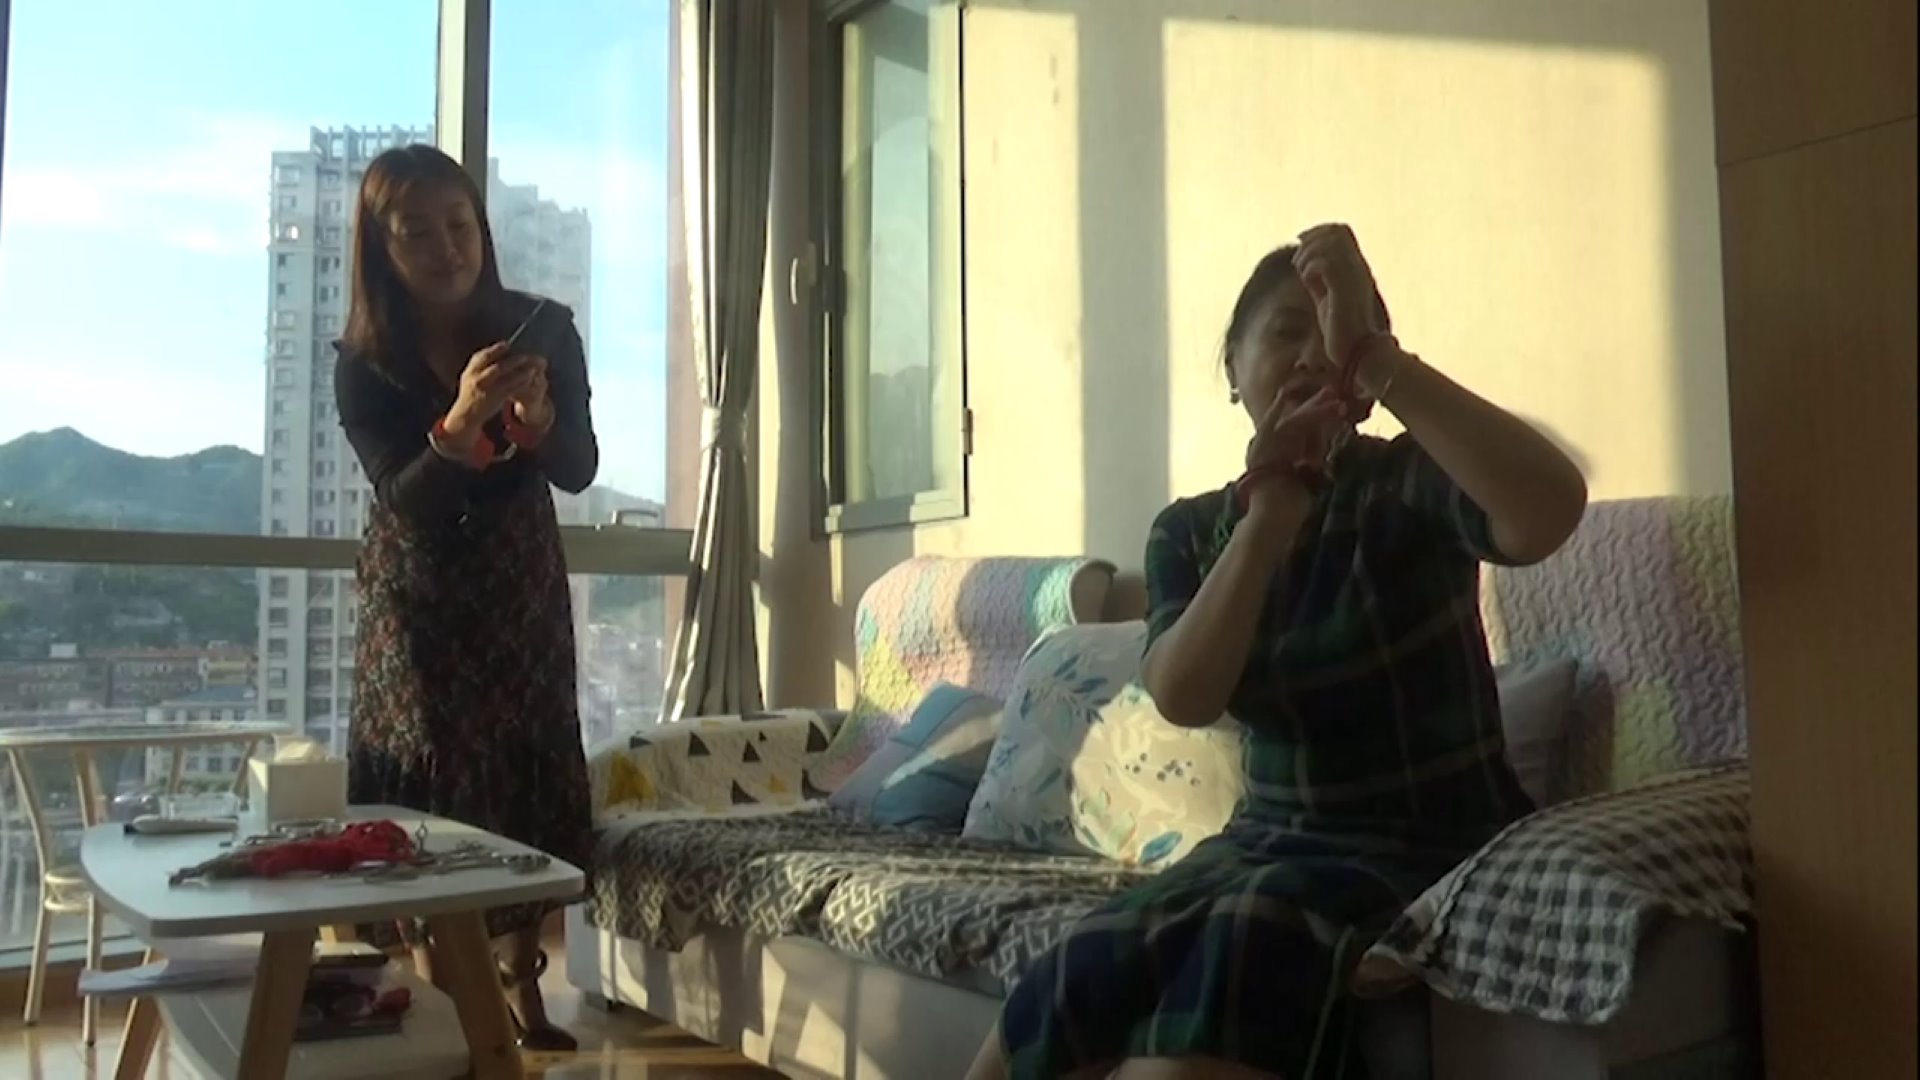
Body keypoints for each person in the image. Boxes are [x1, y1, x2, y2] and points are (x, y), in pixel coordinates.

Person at [969, 224, 1590, 1080]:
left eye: (1331, 335)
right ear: (1233, 367)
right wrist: (1268, 518)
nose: (1309, 355)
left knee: (1242, 942)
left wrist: (1377, 358)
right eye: (1285, 331)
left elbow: (1550, 509)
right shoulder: (1191, 531)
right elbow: (1184, 694)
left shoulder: (1405, 482)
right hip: (1262, 840)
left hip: (1428, 840)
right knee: (1075, 973)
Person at [333, 143, 598, 1052]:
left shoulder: (543, 327)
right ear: (382, 248)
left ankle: (524, 992)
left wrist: (541, 423)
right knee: (438, 791)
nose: (447, 248)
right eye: (417, 232)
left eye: (459, 225)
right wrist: (459, 420)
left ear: (482, 230)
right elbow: (402, 496)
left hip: (517, 581)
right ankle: (451, 1006)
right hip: (420, 596)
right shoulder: (364, 362)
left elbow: (578, 468)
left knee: (525, 767)